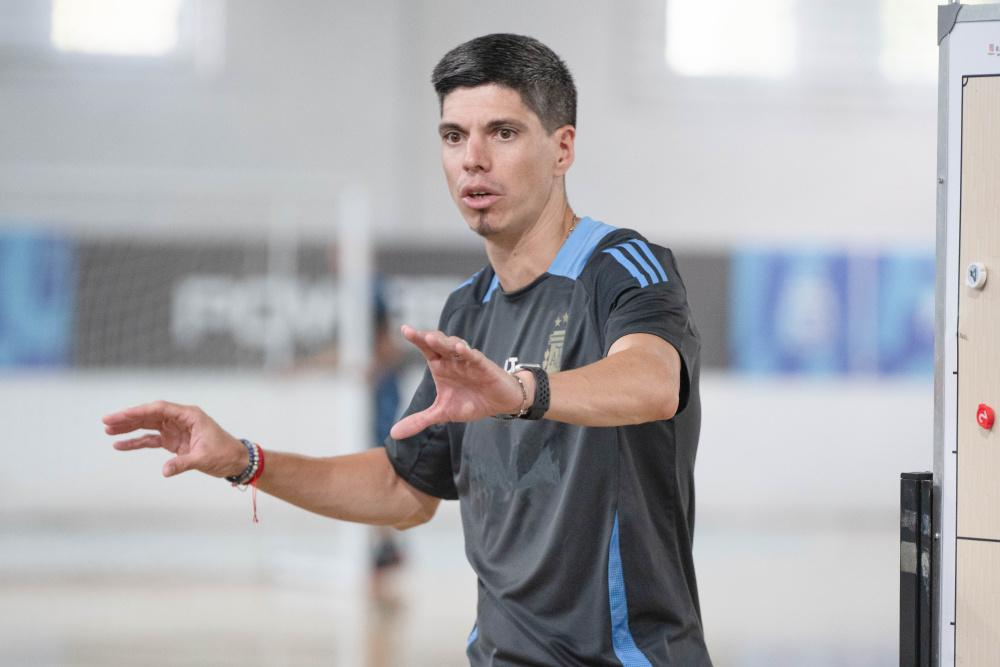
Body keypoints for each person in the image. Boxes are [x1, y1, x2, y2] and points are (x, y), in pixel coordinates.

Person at [104, 33, 711, 666]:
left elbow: (654, 379)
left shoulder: (621, 266)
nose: (472, 160)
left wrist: (523, 392)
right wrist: (243, 459)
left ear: (563, 148)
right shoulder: (466, 309)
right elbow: (405, 488)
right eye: (454, 136)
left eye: (502, 133)